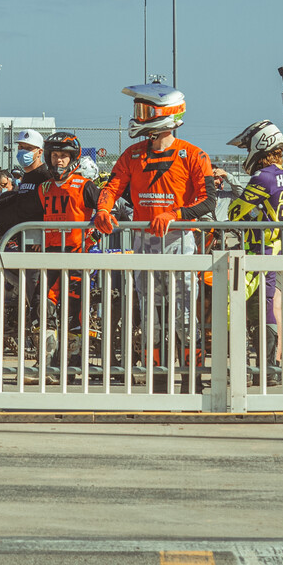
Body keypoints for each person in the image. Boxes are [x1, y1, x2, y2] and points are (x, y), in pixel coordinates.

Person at [94, 82, 215, 385]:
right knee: (151, 315)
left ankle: (192, 379)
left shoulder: (194, 155)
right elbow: (111, 187)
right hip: (143, 242)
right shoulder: (132, 154)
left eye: (145, 110)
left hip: (180, 242)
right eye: (138, 110)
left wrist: (175, 214)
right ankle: (157, 380)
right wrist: (103, 210)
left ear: (168, 114)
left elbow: (208, 200)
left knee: (186, 315)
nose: (139, 116)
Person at [227, 120, 283, 385]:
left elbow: (234, 213)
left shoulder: (263, 177)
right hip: (271, 249)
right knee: (261, 310)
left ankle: (255, 370)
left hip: (258, 252)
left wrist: (246, 210)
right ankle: (267, 371)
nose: (247, 154)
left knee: (235, 308)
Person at [37, 132, 101, 380]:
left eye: (64, 156)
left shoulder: (85, 186)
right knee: (45, 310)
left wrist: (92, 238)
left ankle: (73, 368)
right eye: (55, 156)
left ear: (73, 158)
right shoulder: (43, 188)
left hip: (77, 257)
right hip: (50, 256)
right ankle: (49, 368)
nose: (59, 161)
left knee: (75, 313)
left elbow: (109, 211)